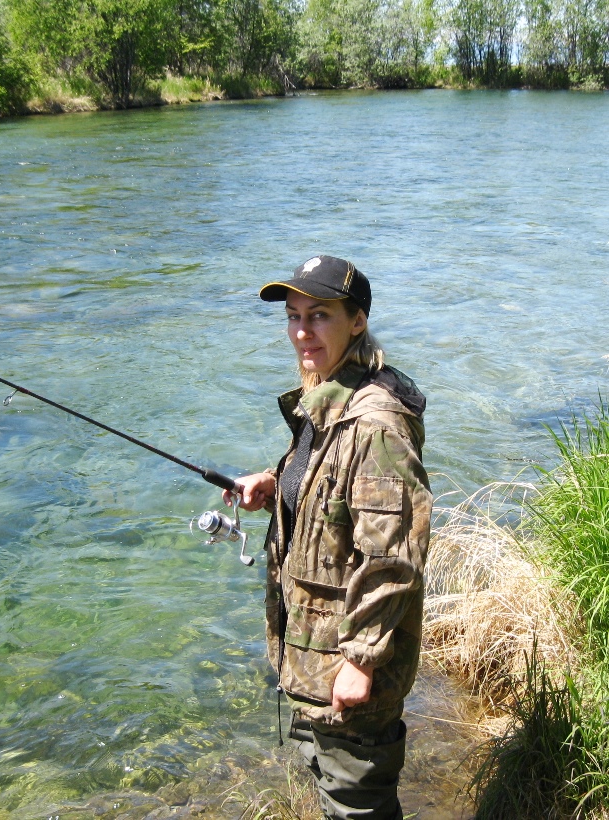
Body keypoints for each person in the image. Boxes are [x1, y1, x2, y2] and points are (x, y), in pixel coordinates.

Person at [223, 255, 432, 820]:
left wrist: (361, 661)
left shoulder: (373, 423)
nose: (301, 331)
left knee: (356, 805)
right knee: (333, 789)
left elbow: (394, 558)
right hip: (316, 663)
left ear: (357, 321)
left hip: (345, 667)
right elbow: (330, 480)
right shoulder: (331, 395)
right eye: (293, 316)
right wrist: (275, 482)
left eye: (319, 316)